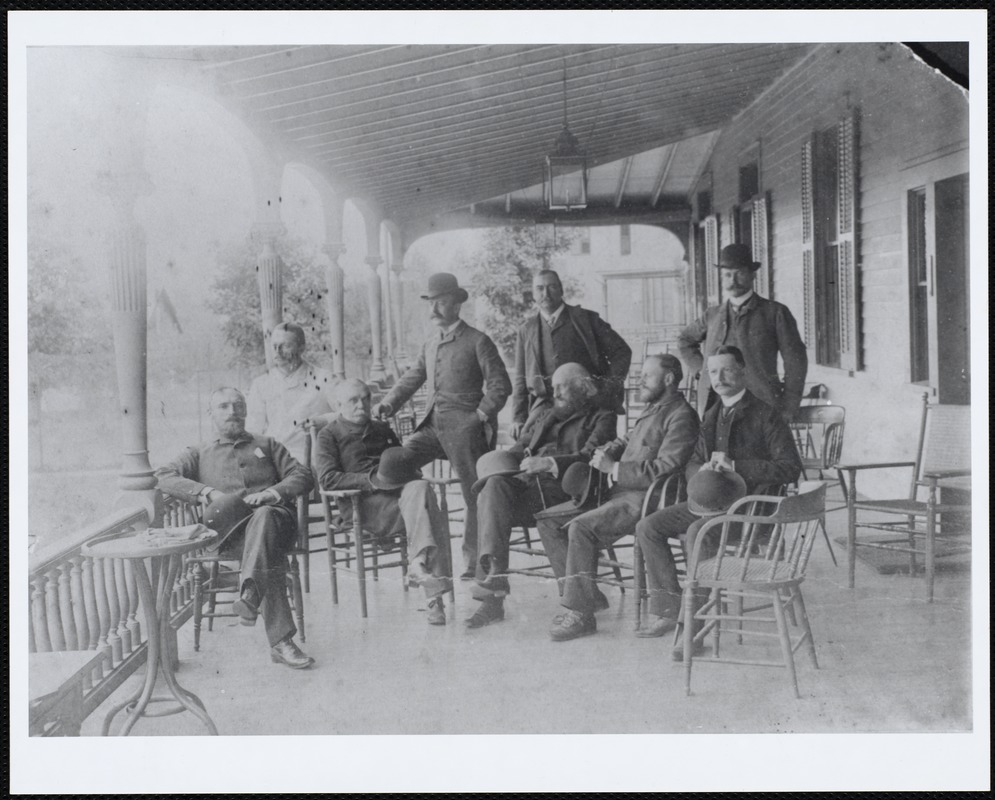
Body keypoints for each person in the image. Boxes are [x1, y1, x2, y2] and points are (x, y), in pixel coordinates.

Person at [635, 345, 802, 652]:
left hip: (750, 510)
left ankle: (693, 630)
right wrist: (705, 469)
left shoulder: (767, 415)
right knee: (649, 526)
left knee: (699, 533)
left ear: (743, 372)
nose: (719, 377)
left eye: (726, 370)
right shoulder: (712, 414)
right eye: (713, 372)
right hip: (709, 503)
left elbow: (791, 468)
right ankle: (669, 608)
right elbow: (691, 463)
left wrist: (737, 466)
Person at [537, 353, 700, 642]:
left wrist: (615, 468)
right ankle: (587, 596)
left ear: (669, 379)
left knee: (581, 527)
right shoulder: (654, 409)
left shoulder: (681, 415)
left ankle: (580, 613)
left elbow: (667, 467)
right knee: (548, 522)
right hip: (617, 493)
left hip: (644, 499)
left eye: (646, 376)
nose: (640, 381)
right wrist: (609, 449)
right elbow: (630, 440)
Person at [155, 387, 315, 669]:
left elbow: (302, 475)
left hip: (276, 523)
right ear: (211, 414)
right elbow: (164, 476)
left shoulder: (267, 444)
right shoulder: (199, 453)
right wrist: (206, 492)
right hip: (231, 535)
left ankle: (252, 597)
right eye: (224, 406)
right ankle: (278, 639)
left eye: (238, 406)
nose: (232, 412)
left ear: (245, 410)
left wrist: (271, 493)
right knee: (267, 555)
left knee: (264, 518)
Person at [372, 272, 511, 579]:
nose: (434, 309)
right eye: (431, 303)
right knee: (395, 464)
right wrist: (388, 402)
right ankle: (424, 552)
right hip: (432, 428)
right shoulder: (431, 343)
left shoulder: (478, 341)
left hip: (466, 431)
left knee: (474, 494)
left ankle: (476, 564)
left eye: (442, 303)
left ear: (457, 305)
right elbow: (412, 377)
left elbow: (501, 386)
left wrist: (479, 417)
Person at [466, 363, 617, 629]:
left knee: (493, 500)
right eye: (554, 386)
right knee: (492, 487)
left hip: (566, 489)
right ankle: (492, 590)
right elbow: (521, 448)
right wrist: (497, 462)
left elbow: (590, 457)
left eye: (562, 387)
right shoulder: (547, 413)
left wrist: (549, 463)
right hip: (529, 486)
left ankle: (493, 592)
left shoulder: (602, 416)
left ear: (582, 386)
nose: (554, 392)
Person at [314, 379, 452, 625]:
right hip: (362, 506)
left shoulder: (383, 429)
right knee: (428, 508)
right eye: (353, 400)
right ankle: (431, 594)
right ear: (338, 404)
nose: (362, 405)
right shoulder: (329, 435)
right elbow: (328, 479)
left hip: (400, 499)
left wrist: (413, 473)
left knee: (421, 488)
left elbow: (404, 462)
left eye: (366, 398)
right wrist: (372, 480)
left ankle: (420, 566)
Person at [677, 244, 807, 420]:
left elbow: (796, 361)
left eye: (740, 273)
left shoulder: (775, 313)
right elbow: (685, 340)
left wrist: (790, 406)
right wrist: (702, 370)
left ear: (752, 275)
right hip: (715, 405)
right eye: (728, 275)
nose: (733, 280)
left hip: (760, 405)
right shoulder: (712, 315)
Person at [511, 269, 632, 438]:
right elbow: (520, 378)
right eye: (539, 288)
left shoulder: (586, 320)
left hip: (586, 404)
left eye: (551, 287)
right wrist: (518, 417)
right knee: (524, 446)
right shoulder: (526, 330)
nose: (545, 293)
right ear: (533, 293)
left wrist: (605, 388)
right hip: (544, 405)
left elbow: (622, 352)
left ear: (561, 290)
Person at [246, 321, 336, 465]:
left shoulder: (324, 378)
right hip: (274, 462)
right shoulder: (261, 384)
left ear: (302, 348)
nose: (277, 351)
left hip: (314, 460)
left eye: (285, 345)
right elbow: (252, 432)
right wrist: (260, 459)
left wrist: (321, 421)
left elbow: (347, 415)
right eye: (274, 346)